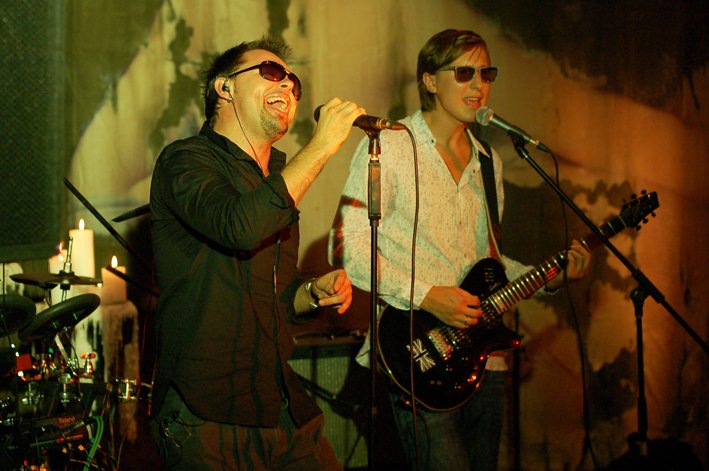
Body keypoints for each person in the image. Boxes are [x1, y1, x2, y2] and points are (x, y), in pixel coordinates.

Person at [329, 29, 591, 470]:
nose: (479, 85)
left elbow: (489, 262)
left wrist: (551, 276)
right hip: (417, 354)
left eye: (486, 74)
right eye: (464, 73)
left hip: (484, 363)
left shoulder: (489, 161)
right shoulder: (389, 145)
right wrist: (427, 295)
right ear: (430, 80)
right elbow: (347, 247)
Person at [149, 36, 365, 470]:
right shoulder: (184, 160)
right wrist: (321, 145)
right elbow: (238, 227)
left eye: (293, 82)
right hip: (208, 415)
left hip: (279, 406)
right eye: (271, 73)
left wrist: (311, 293)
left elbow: (276, 298)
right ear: (224, 87)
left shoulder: (278, 178)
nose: (287, 85)